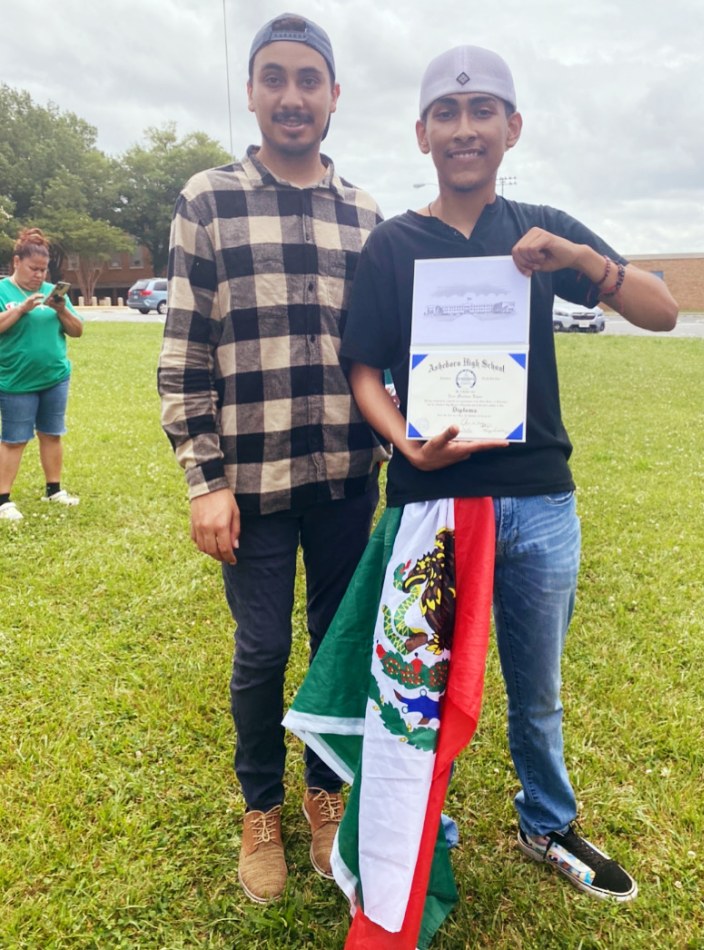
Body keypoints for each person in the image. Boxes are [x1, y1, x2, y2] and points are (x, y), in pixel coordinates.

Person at [339, 45, 678, 904]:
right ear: (422, 134)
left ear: (511, 128)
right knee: (427, 684)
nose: (464, 128)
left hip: (537, 502)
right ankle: (424, 827)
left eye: (482, 111)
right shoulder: (393, 245)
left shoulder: (540, 228)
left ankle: (547, 823)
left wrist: (580, 260)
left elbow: (663, 311)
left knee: (537, 687)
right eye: (446, 115)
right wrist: (404, 445)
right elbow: (363, 371)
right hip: (431, 502)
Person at [157, 13, 387, 905]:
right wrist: (204, 482)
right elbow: (184, 354)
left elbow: (386, 350)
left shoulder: (367, 215)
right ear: (252, 92)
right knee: (261, 652)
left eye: (309, 80)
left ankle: (325, 793)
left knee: (337, 646)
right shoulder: (207, 199)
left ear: (334, 96)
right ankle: (261, 807)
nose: (292, 97)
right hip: (248, 491)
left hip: (343, 478)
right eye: (274, 79)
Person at [0, 227, 83, 521]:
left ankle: (54, 490)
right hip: (16, 381)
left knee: (52, 434)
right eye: (34, 268)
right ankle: (3, 500)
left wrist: (61, 310)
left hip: (54, 377)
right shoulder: (3, 291)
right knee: (14, 439)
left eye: (44, 270)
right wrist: (21, 309)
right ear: (16, 262)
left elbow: (78, 331)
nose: (39, 275)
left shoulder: (51, 292)